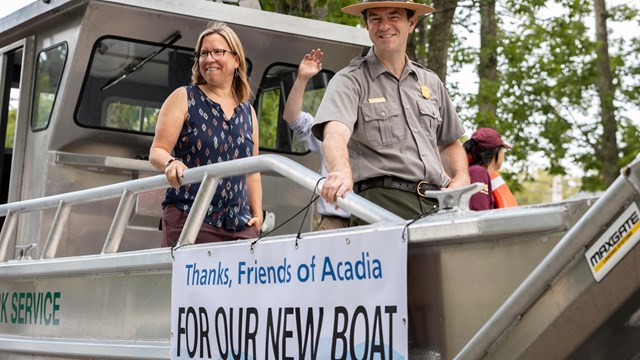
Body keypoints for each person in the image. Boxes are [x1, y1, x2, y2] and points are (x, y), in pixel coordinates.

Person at [311, 0, 470, 225]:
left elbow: (449, 143)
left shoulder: (430, 82)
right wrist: (340, 171)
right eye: (375, 18)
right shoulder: (350, 80)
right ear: (367, 25)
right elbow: (335, 132)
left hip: (437, 203)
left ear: (411, 23)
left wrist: (462, 176)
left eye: (394, 17)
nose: (384, 25)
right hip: (381, 204)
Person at [149, 21, 262, 247]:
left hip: (239, 226)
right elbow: (157, 151)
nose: (209, 59)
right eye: (203, 54)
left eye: (217, 52)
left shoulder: (247, 111)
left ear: (236, 60)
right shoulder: (184, 97)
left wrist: (257, 216)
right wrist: (171, 163)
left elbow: (252, 171)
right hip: (190, 219)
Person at [282, 49, 350, 230]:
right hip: (333, 221)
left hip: (373, 221)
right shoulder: (330, 129)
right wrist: (302, 78)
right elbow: (292, 117)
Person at [463, 127, 516, 210]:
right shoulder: (478, 172)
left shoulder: (477, 172)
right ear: (496, 151)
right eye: (502, 149)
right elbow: (480, 211)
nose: (504, 154)